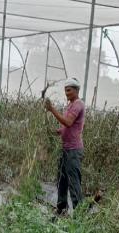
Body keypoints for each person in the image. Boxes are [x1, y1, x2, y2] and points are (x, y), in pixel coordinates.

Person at [44, 78, 85, 214]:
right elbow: (67, 127)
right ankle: (61, 208)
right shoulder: (70, 105)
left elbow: (68, 122)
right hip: (65, 149)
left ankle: (80, 214)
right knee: (62, 179)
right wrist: (58, 131)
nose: (67, 93)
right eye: (65, 90)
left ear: (77, 90)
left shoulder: (78, 105)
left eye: (69, 90)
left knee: (74, 182)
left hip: (74, 150)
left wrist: (52, 109)